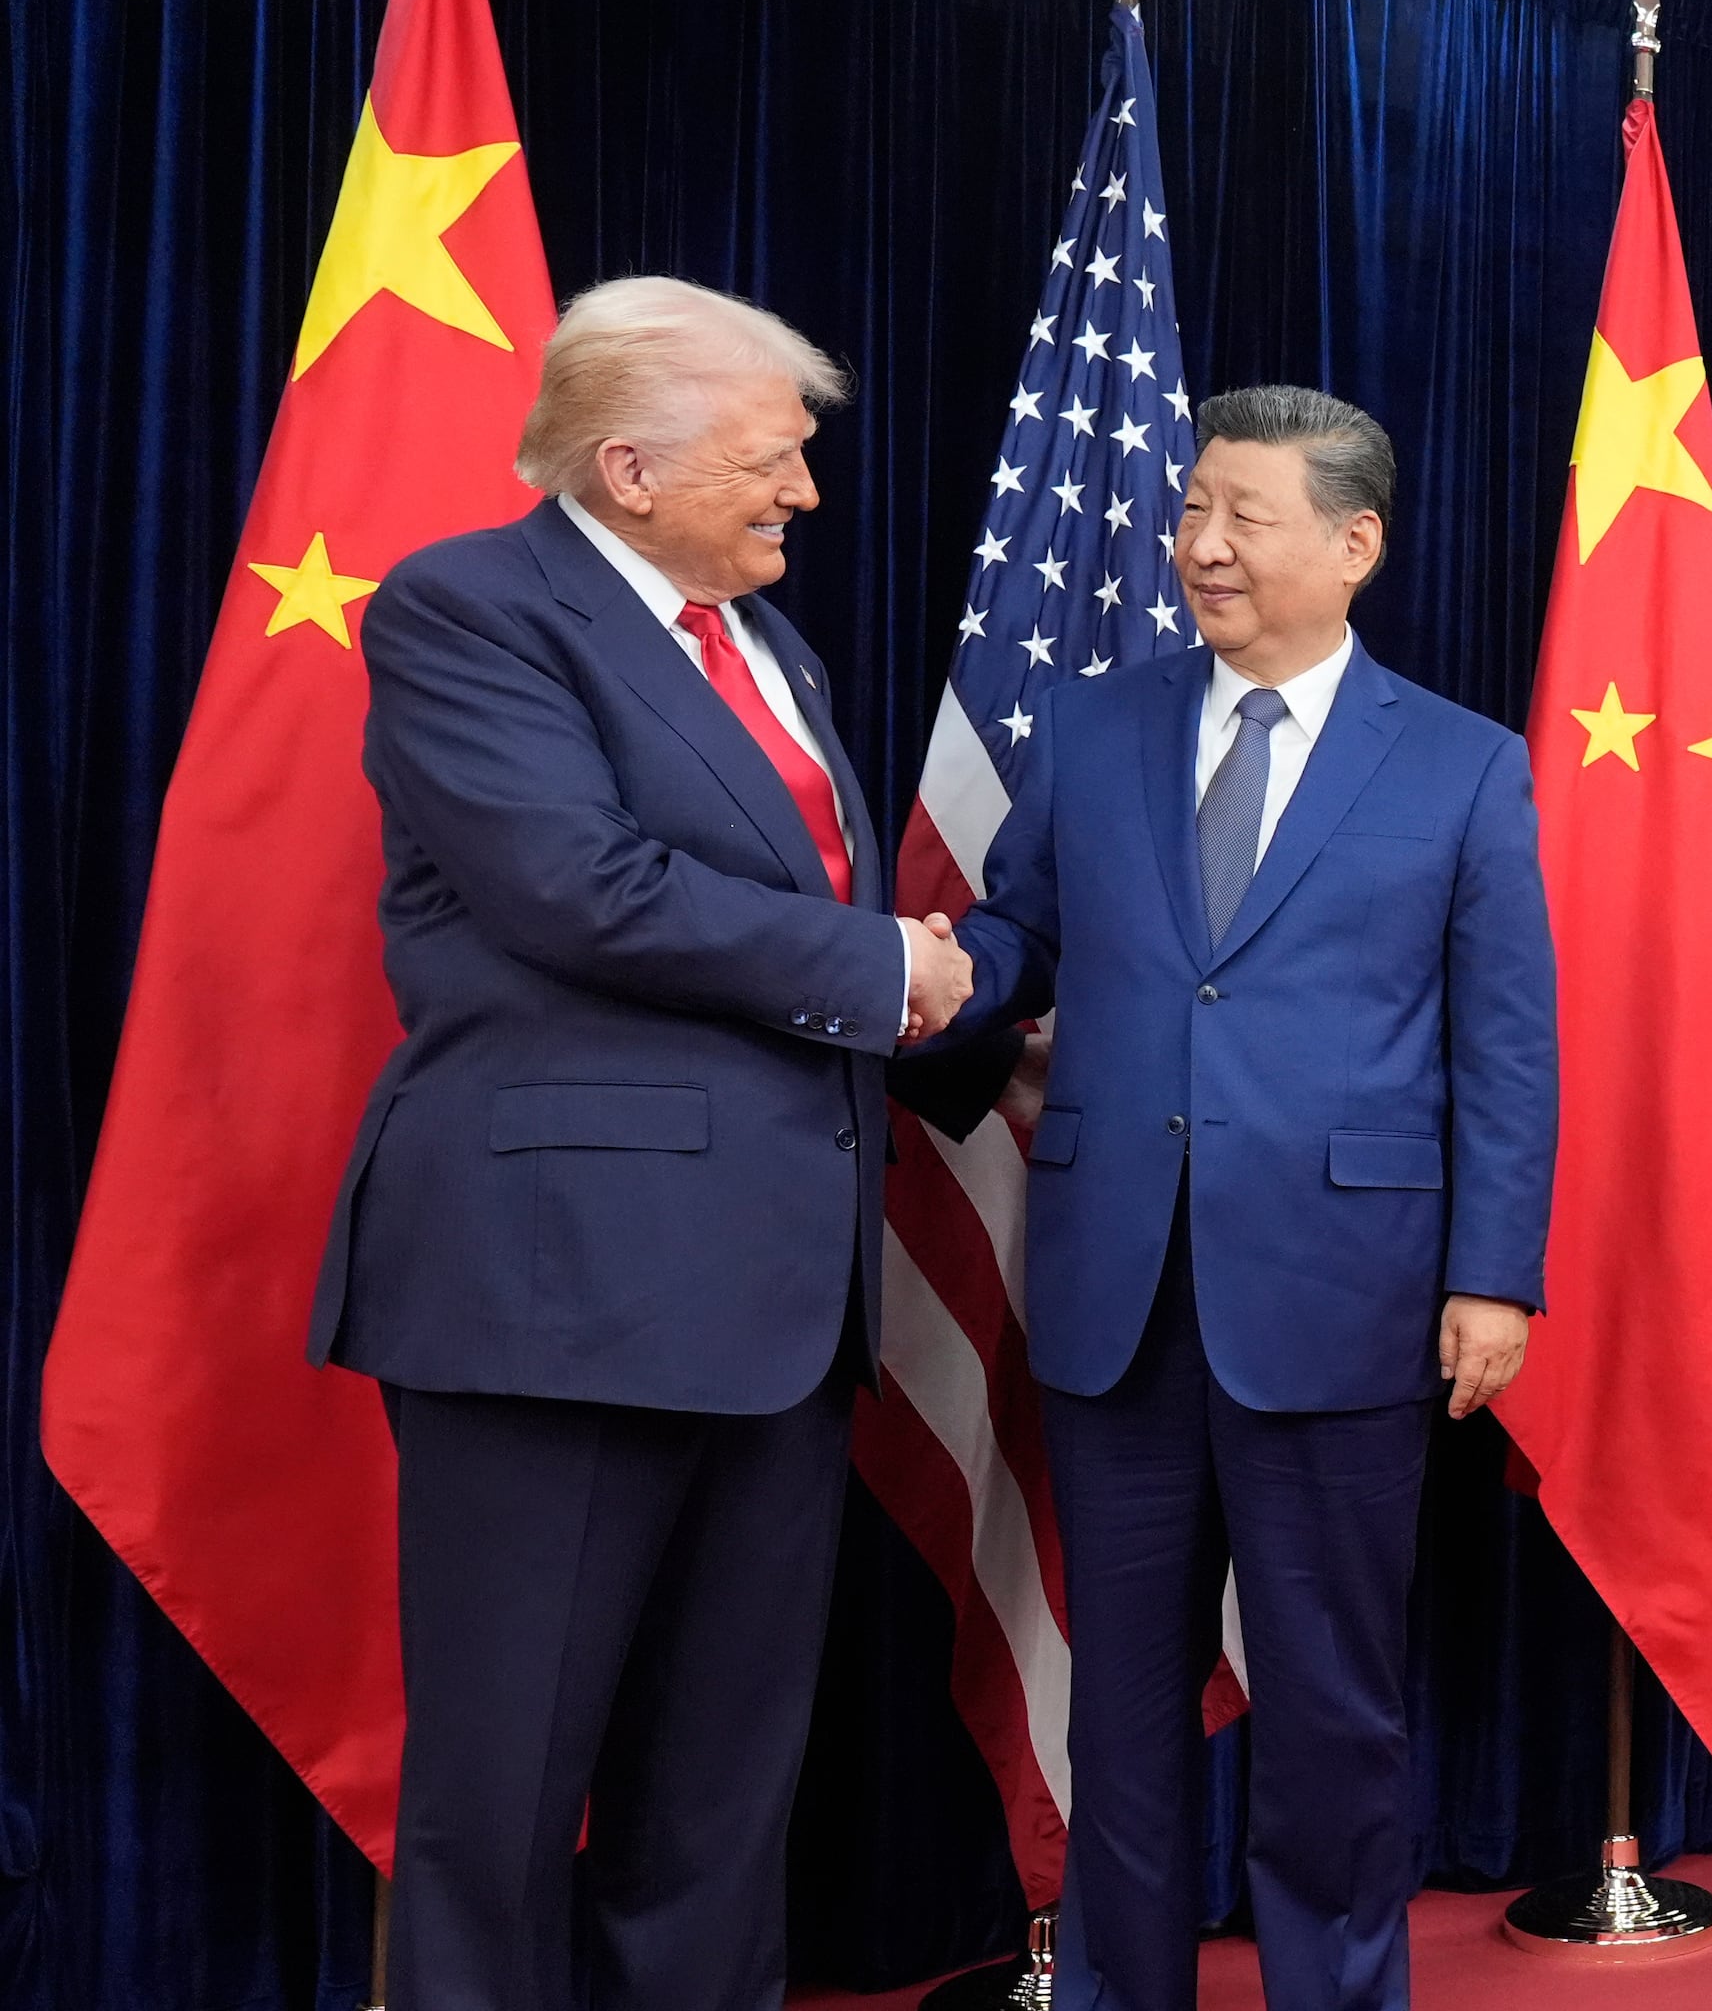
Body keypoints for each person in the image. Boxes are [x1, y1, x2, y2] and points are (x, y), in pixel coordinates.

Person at [308, 277, 975, 2007]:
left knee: (719, 1799)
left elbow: (782, 920)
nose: (804, 492)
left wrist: (962, 1030)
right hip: (561, 1298)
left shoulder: (766, 641)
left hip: (780, 1304)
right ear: (628, 467)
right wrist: (885, 970)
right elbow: (578, 889)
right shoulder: (469, 609)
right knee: (504, 1790)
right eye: (771, 459)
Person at [912, 385, 1556, 2011]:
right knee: (1121, 1710)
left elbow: (1506, 1045)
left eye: (1242, 517)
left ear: (1354, 546)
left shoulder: (1464, 767)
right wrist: (924, 979)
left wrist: (1494, 1275)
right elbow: (1022, 937)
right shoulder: (1099, 728)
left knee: (1332, 1710)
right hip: (1116, 1294)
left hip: (1344, 1297)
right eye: (1191, 508)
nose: (1200, 544)